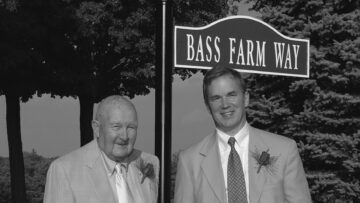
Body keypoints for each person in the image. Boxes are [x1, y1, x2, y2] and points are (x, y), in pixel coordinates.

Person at [174, 66, 312, 203]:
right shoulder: (190, 161)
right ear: (207, 106)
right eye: (216, 98)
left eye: (231, 95)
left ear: (245, 98)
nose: (225, 104)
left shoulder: (284, 150)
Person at [43, 95, 159, 203]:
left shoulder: (151, 162)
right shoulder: (64, 170)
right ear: (97, 128)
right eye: (116, 127)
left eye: (131, 127)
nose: (124, 136)